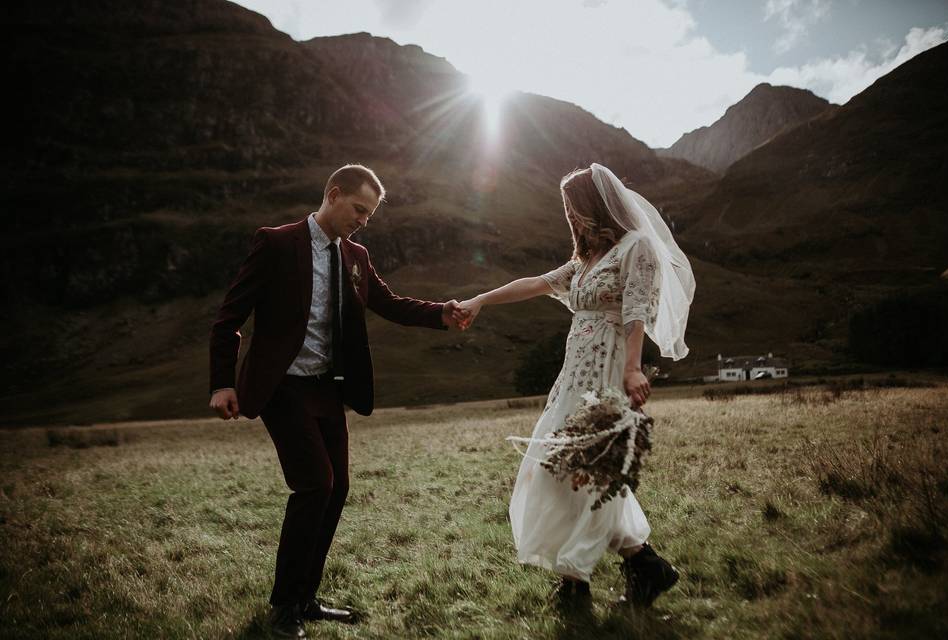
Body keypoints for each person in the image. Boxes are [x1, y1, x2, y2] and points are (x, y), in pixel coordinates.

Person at [209, 164, 463, 638]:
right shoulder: (277, 243)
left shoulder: (357, 256)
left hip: (328, 388)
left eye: (370, 215)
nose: (363, 220)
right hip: (281, 386)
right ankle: (284, 608)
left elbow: (387, 302)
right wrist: (222, 383)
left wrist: (441, 314)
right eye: (359, 209)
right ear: (333, 193)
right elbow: (229, 318)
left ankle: (306, 599)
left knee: (338, 487)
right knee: (315, 485)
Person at [456, 163, 695, 610]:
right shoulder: (586, 261)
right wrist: (481, 300)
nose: (568, 213)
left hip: (607, 372)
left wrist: (631, 369)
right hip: (572, 376)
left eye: (571, 205)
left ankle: (574, 583)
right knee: (565, 469)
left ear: (593, 204)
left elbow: (636, 309)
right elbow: (537, 283)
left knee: (588, 472)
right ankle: (646, 566)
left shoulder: (635, 248)